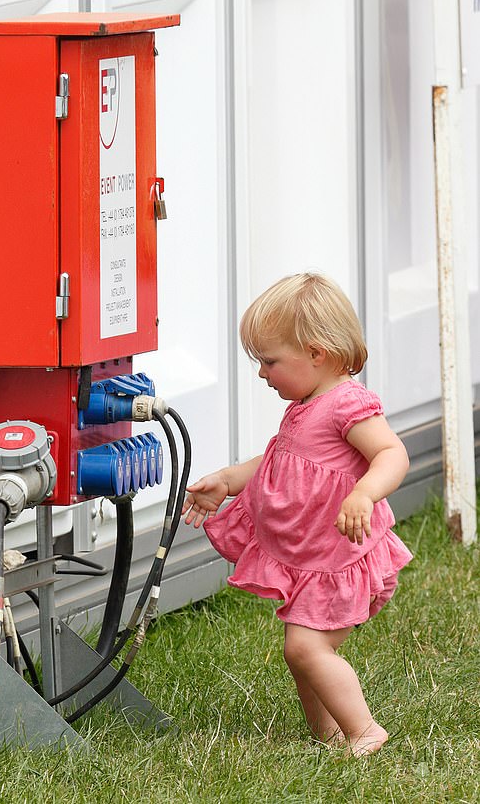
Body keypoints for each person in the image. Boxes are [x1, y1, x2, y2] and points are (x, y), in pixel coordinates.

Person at [183, 272, 412, 757]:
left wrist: (365, 495)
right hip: (312, 555)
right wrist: (227, 481)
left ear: (317, 353)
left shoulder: (348, 404)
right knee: (303, 653)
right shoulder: (307, 403)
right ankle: (326, 735)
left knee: (306, 648)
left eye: (269, 361)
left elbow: (393, 454)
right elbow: (276, 458)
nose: (263, 374)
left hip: (338, 558)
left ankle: (365, 731)